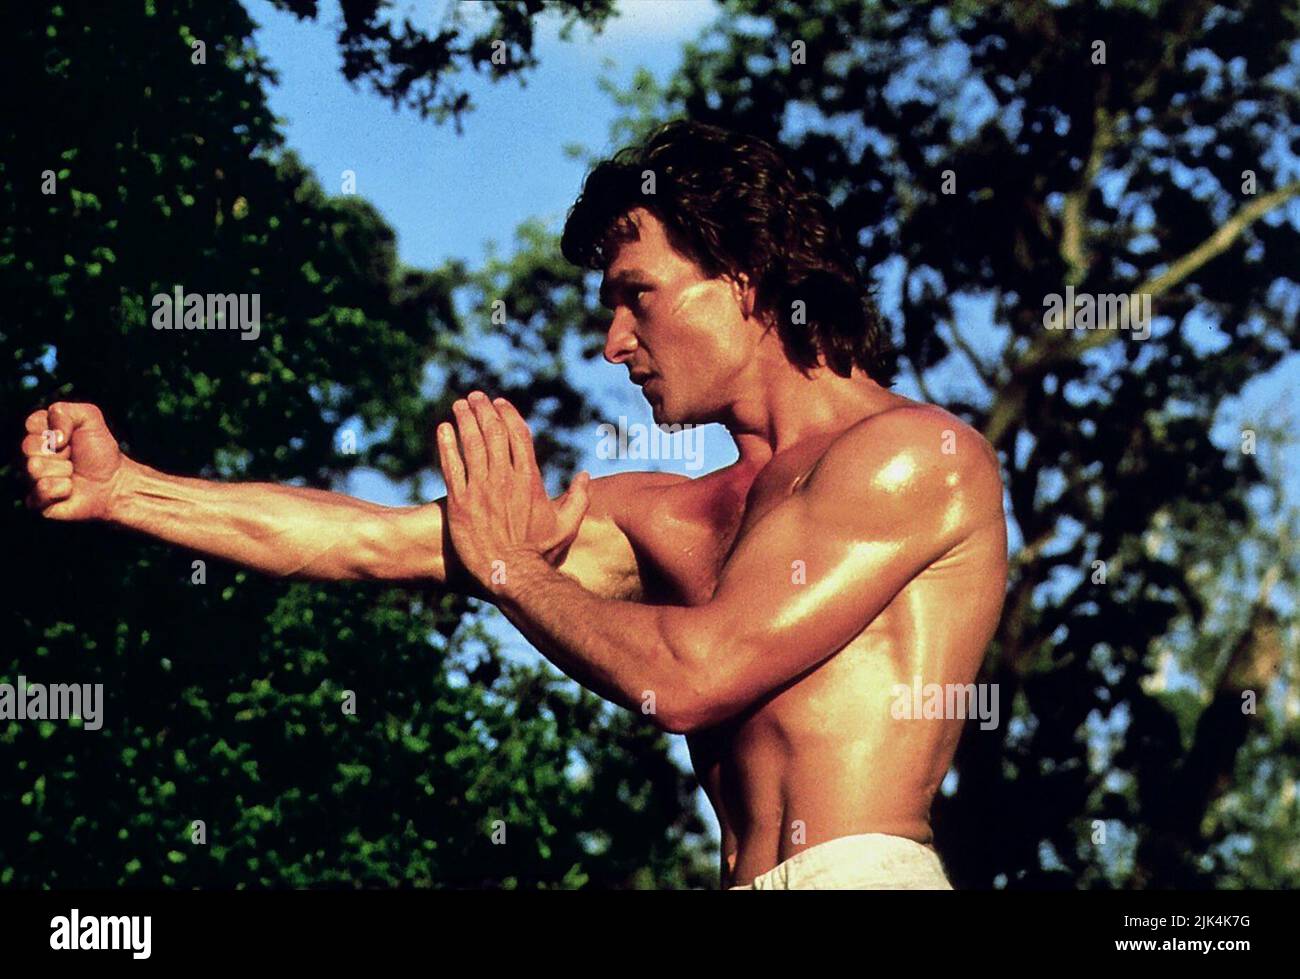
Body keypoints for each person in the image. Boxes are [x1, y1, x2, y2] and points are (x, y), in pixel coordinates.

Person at [22, 121, 1008, 889]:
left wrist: (512, 572)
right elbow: (370, 544)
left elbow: (695, 675)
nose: (613, 342)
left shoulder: (915, 456)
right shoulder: (662, 510)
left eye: (637, 297)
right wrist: (126, 489)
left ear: (742, 284)